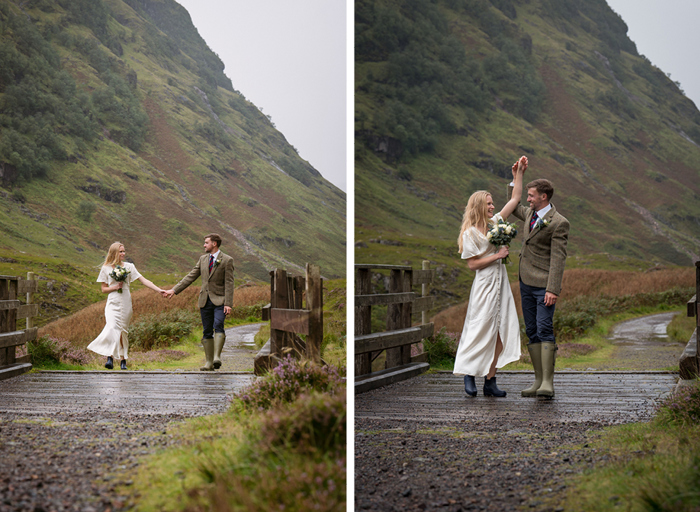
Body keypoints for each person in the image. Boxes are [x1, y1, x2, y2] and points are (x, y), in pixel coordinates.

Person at [452, 156, 527, 397]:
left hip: (501, 283)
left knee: (499, 329)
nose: (493, 207)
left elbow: (515, 199)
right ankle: (469, 374)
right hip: (484, 284)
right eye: (489, 203)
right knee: (479, 328)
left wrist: (519, 174)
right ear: (478, 206)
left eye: (493, 203)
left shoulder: (496, 223)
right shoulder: (470, 233)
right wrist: (497, 256)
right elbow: (473, 265)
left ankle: (491, 381)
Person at [510, 175, 569, 398]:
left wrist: (552, 289)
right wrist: (516, 176)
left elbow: (558, 259)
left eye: (531, 196)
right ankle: (537, 380)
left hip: (544, 286)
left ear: (543, 197)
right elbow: (513, 203)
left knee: (544, 328)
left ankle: (547, 382)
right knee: (532, 330)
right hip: (525, 283)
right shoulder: (530, 214)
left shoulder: (559, 222)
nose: (528, 199)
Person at [87, 242, 165, 370]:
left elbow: (143, 280)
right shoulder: (106, 268)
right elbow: (103, 289)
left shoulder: (129, 267)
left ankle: (123, 360)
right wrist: (115, 287)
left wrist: (159, 290)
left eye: (124, 251)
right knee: (112, 327)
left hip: (126, 300)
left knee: (123, 330)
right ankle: (109, 357)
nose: (123, 254)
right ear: (114, 253)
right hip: (113, 301)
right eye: (121, 251)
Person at [163, 234, 234, 371]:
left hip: (220, 300)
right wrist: (174, 290)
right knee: (207, 330)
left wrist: (228, 303)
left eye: (206, 243)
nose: (204, 245)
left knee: (218, 324)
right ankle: (209, 363)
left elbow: (229, 283)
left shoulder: (227, 260)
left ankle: (216, 357)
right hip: (204, 301)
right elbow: (190, 276)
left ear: (214, 244)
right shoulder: (202, 259)